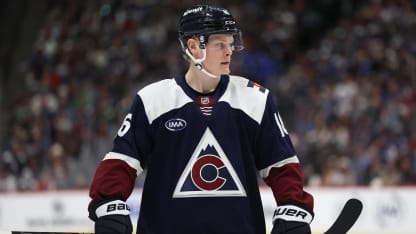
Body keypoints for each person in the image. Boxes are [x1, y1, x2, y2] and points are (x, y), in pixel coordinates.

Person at [88, 5, 314, 234]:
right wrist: (109, 205)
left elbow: (282, 165)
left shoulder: (255, 99)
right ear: (193, 46)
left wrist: (292, 205)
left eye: (230, 43)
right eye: (220, 44)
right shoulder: (152, 100)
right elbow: (121, 162)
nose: (229, 51)